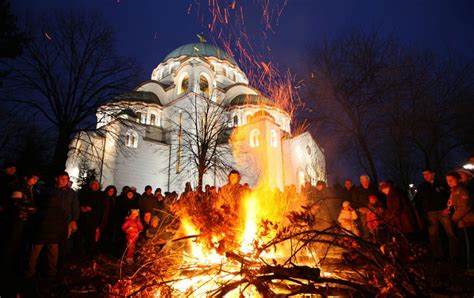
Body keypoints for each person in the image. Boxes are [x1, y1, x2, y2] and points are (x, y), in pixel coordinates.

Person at [414, 168, 454, 259]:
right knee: (433, 235)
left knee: (450, 233)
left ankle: (454, 254)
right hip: (430, 213)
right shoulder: (422, 187)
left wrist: (448, 208)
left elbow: (451, 196)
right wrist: (422, 212)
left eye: (427, 174)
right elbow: (418, 201)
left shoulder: (442, 183)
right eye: (424, 175)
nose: (426, 176)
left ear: (433, 174)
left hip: (443, 211)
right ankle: (438, 256)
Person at [444, 171, 473, 269]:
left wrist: (454, 218)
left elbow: (465, 206)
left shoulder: (462, 190)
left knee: (469, 245)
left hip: (466, 221)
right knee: (464, 243)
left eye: (451, 180)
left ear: (458, 179)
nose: (449, 182)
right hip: (461, 222)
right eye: (447, 180)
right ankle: (466, 263)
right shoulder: (454, 190)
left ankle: (470, 266)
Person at [77, 180, 105, 258]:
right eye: (93, 184)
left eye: (97, 184)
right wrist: (82, 207)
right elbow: (80, 202)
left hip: (94, 220)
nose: (95, 186)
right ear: (90, 185)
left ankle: (91, 254)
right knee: (82, 236)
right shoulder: (85, 193)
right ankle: (81, 253)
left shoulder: (101, 195)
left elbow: (101, 208)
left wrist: (92, 208)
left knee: (92, 237)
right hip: (83, 219)